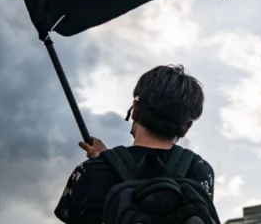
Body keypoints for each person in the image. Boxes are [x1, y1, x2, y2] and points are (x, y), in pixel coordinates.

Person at [54, 65, 216, 224]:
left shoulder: (89, 172)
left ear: (135, 109)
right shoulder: (201, 171)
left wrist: (103, 162)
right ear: (186, 127)